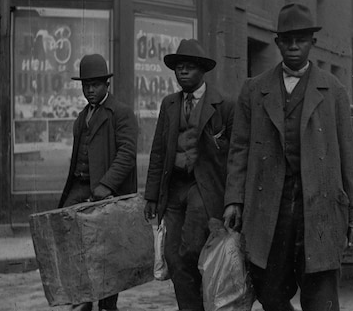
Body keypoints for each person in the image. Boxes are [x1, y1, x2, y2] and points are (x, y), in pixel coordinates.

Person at [223, 3, 353, 311]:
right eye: (286, 40)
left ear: (312, 42)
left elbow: (347, 155)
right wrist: (234, 199)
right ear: (277, 43)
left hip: (319, 204)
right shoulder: (254, 90)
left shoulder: (334, 91)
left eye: (300, 39)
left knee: (321, 295)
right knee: (268, 289)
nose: (293, 46)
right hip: (268, 206)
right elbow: (239, 150)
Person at [144, 39, 234, 311]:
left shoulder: (224, 105)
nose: (182, 72)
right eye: (178, 68)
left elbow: (234, 156)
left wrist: (233, 200)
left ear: (202, 71)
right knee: (173, 256)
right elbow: (158, 151)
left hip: (203, 187)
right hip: (173, 189)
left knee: (192, 248)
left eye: (189, 67)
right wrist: (150, 196)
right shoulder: (169, 104)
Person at [58, 53, 138, 311]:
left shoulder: (121, 113)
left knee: (107, 252)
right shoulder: (82, 117)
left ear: (107, 85)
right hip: (80, 187)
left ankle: (107, 305)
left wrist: (106, 185)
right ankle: (83, 298)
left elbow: (127, 153)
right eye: (85, 85)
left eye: (95, 84)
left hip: (107, 191)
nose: (90, 90)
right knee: (70, 240)